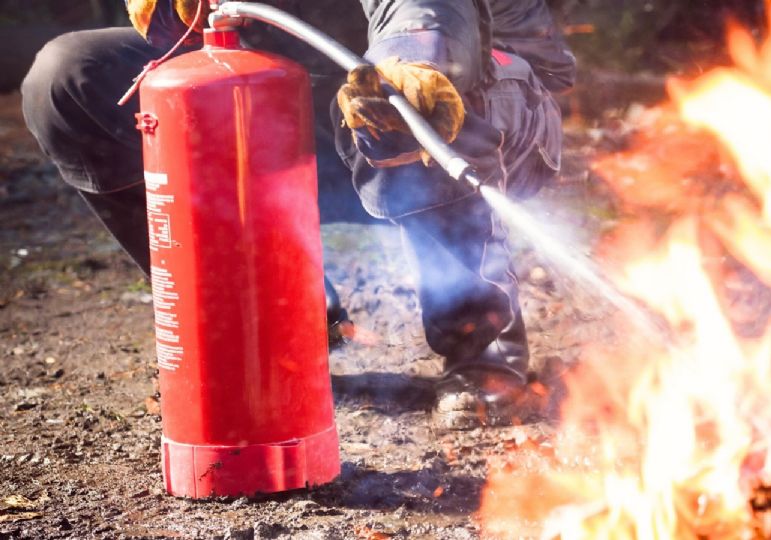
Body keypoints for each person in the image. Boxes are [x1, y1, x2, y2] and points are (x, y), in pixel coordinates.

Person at [20, 0, 575, 430]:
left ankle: (481, 350)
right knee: (71, 76)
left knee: (400, 92)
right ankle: (275, 325)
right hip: (302, 103)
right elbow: (189, 41)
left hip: (482, 94)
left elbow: (424, 12)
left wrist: (413, 62)